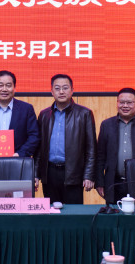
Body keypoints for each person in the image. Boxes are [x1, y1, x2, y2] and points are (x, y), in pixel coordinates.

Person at [35, 74, 97, 204]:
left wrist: (89, 175)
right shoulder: (44, 115)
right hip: (49, 173)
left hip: (73, 173)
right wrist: (36, 174)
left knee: (73, 213)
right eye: (57, 88)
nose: (61, 92)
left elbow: (91, 148)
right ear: (52, 91)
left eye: (65, 88)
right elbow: (39, 148)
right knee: (51, 211)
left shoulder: (84, 114)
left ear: (72, 90)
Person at [95, 87, 135, 204]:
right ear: (117, 103)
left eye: (129, 102)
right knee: (115, 214)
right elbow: (100, 157)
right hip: (114, 183)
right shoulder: (106, 125)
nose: (125, 106)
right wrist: (99, 183)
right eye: (122, 102)